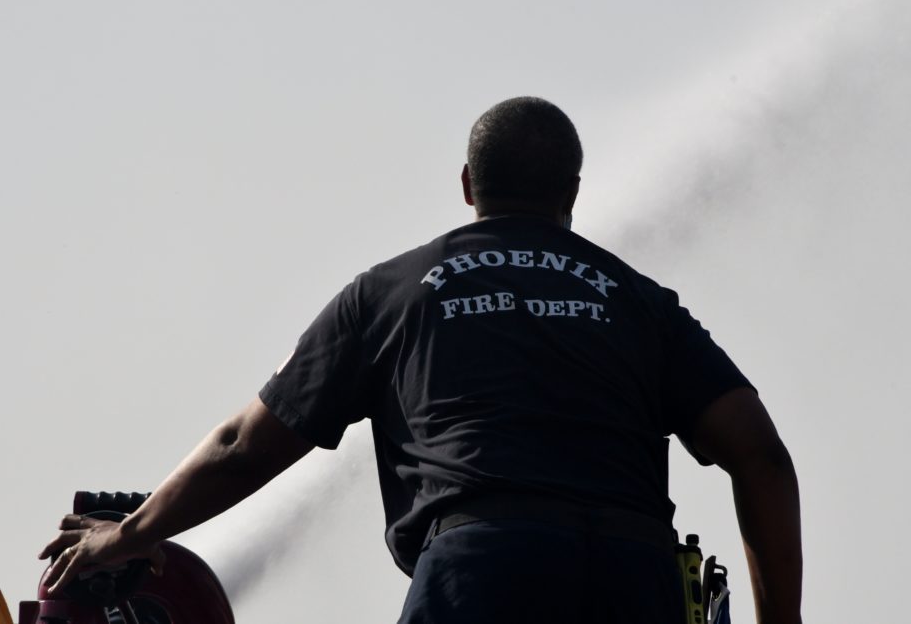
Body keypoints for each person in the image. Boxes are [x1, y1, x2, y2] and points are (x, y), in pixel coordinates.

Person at [40, 97, 802, 623]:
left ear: (468, 185)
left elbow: (244, 446)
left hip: (482, 576)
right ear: (572, 191)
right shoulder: (639, 300)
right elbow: (761, 456)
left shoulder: (390, 292)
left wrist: (125, 535)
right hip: (633, 579)